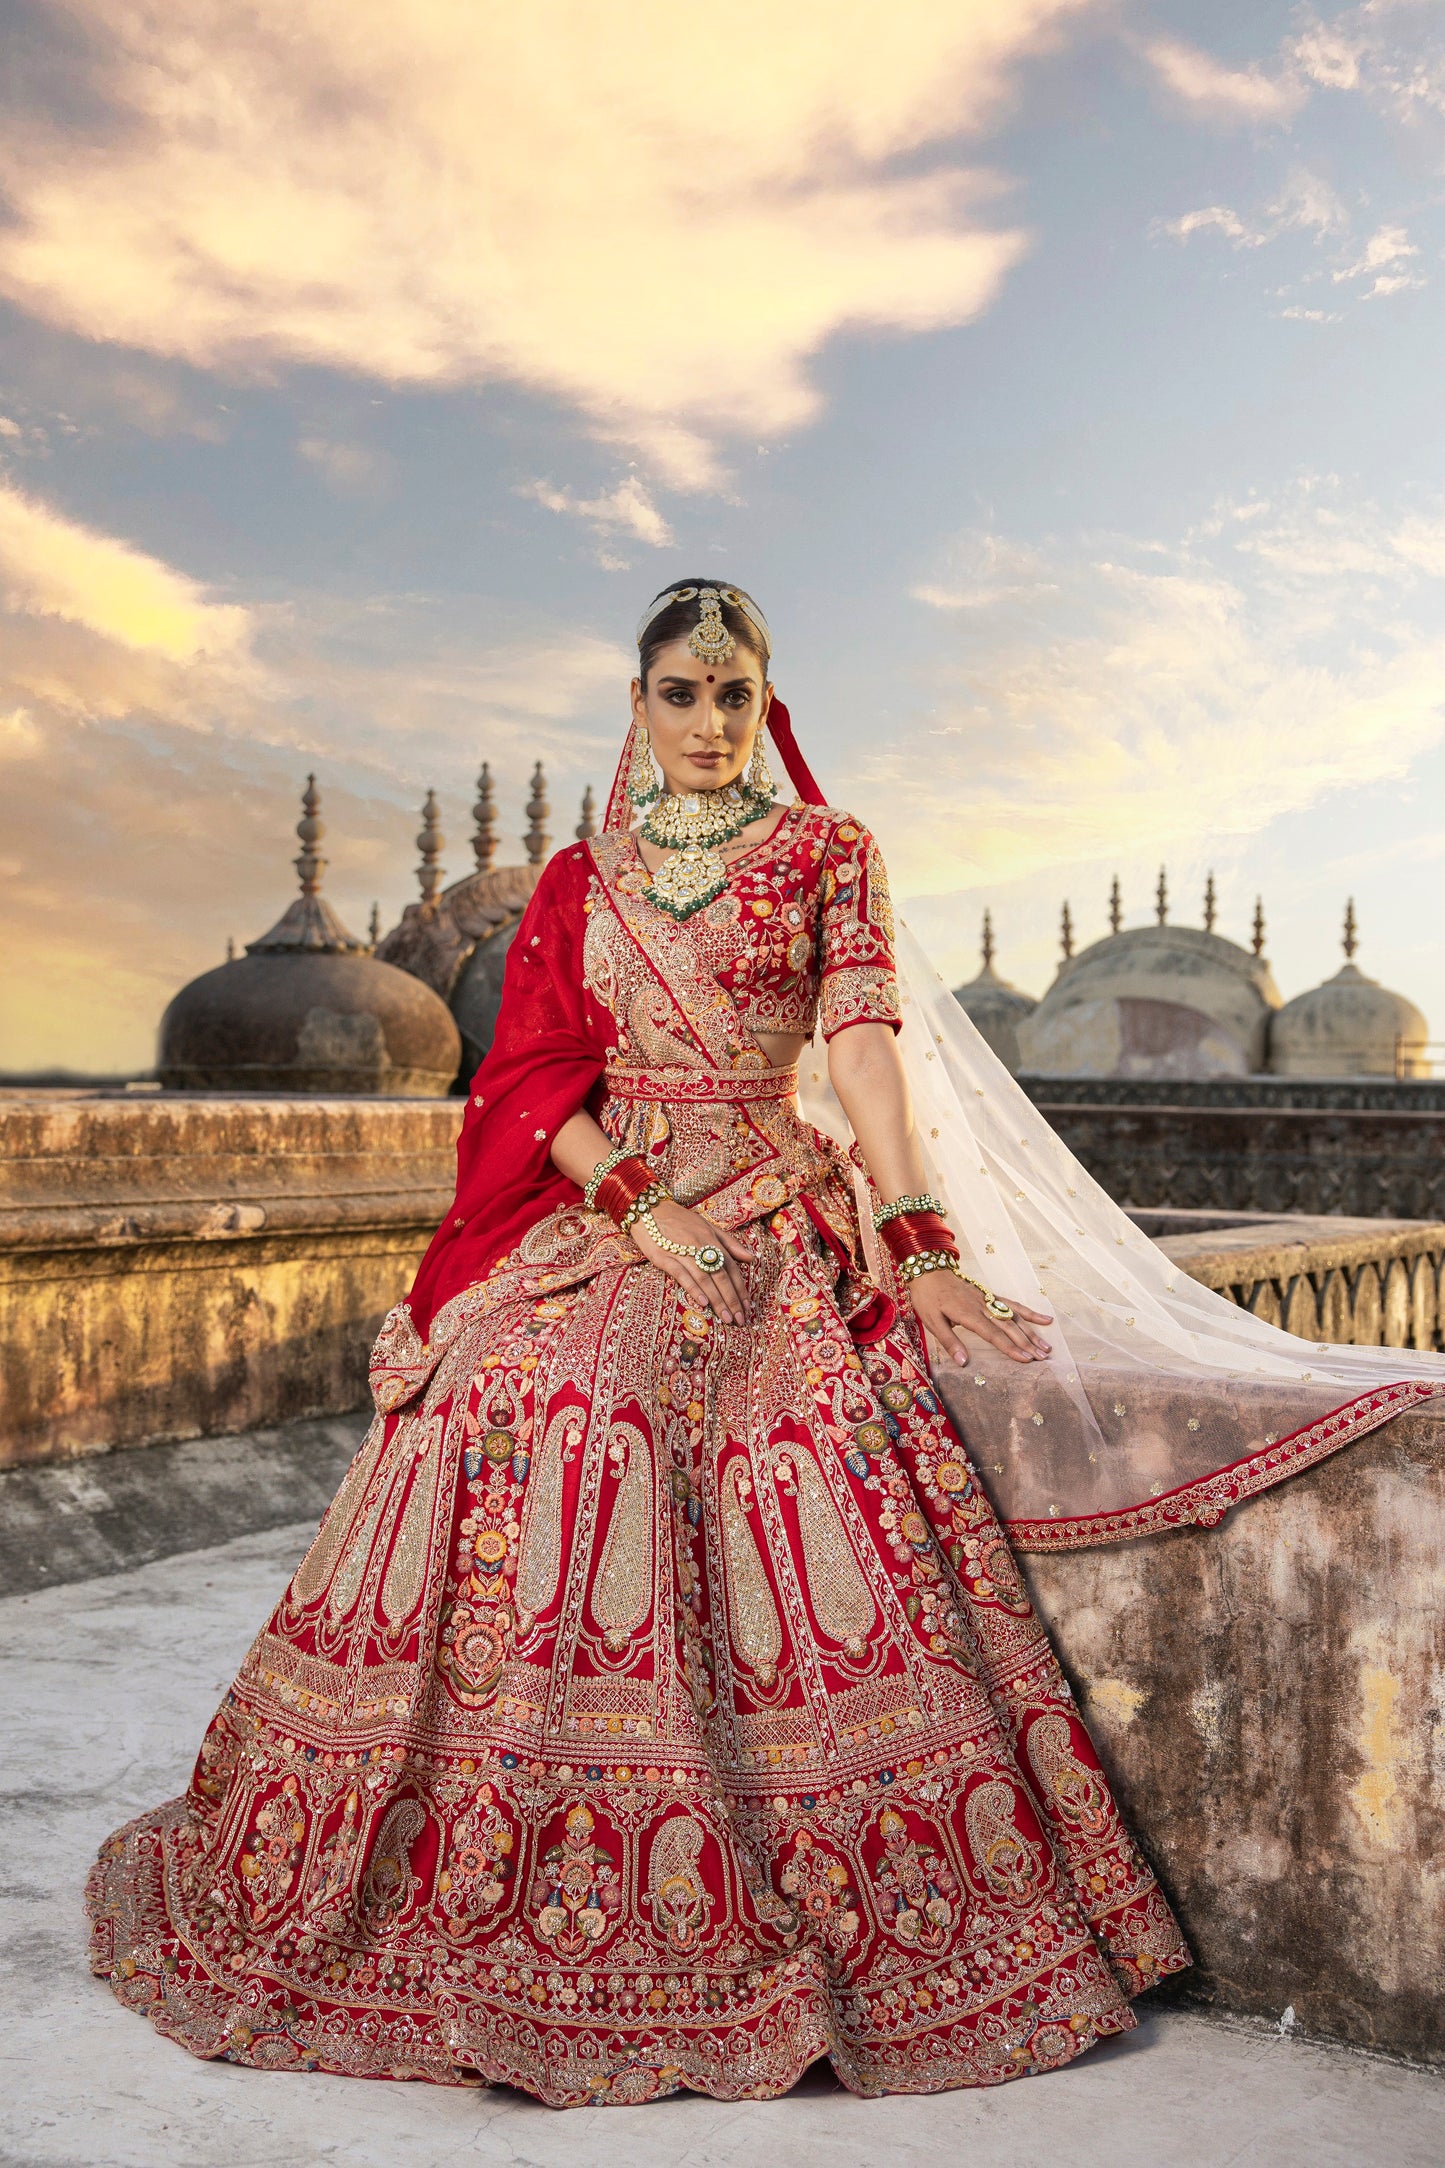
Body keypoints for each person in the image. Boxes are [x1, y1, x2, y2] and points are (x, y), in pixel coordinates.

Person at [90, 578, 1436, 2106]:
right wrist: (637, 1200)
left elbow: (859, 1045)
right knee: (505, 1390)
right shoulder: (579, 880)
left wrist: (918, 1236)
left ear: (762, 703)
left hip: (770, 1207)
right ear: (638, 705)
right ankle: (470, 1854)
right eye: (681, 693)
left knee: (759, 1445)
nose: (711, 723)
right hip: (620, 1197)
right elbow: (533, 1078)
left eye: (735, 696)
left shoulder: (823, 852)